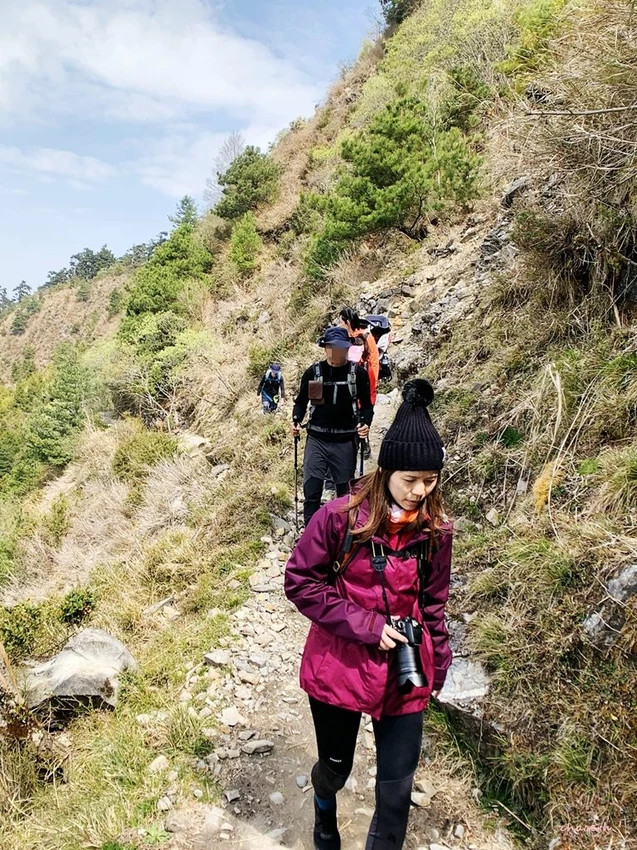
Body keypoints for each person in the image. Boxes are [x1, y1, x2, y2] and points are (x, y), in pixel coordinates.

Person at [285, 379, 453, 850]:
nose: (420, 491)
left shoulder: (436, 531)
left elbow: (434, 603)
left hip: (404, 672)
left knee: (396, 796)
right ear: (387, 470)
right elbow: (299, 582)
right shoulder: (339, 518)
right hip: (341, 664)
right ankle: (324, 809)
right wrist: (368, 625)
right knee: (334, 769)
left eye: (430, 480)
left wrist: (438, 666)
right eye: (410, 479)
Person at [292, 327, 373, 527]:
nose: (336, 352)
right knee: (312, 490)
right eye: (332, 348)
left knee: (345, 495)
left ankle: (342, 533)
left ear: (347, 348)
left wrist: (365, 424)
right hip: (317, 439)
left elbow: (367, 406)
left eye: (340, 348)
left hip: (345, 440)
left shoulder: (358, 374)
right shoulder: (314, 372)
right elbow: (301, 402)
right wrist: (296, 420)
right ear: (325, 348)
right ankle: (310, 532)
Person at [339, 308, 380, 406]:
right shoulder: (347, 337)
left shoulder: (364, 338)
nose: (339, 325)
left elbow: (373, 363)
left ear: (348, 323)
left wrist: (372, 389)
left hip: (365, 381)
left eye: (341, 322)